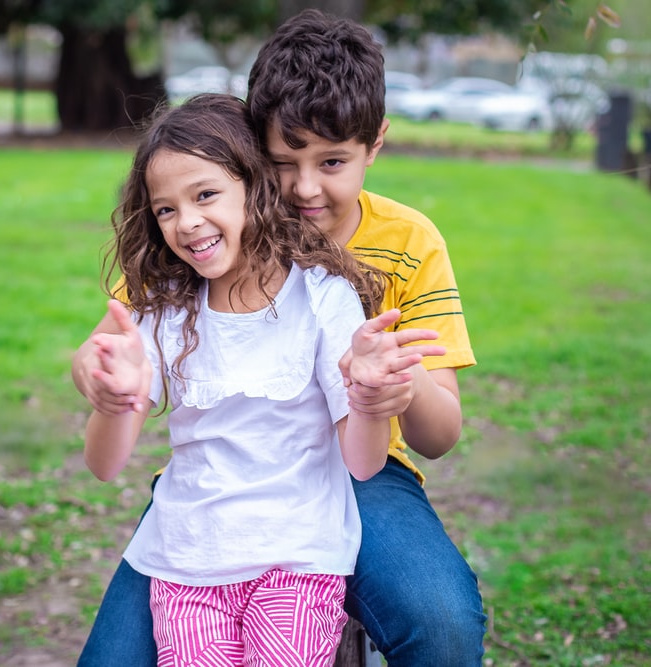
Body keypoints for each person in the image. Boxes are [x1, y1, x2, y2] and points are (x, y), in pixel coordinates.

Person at [75, 10, 487, 667]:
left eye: (332, 161)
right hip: (228, 471)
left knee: (441, 622)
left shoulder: (409, 242)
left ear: (375, 143)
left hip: (366, 468)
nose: (303, 186)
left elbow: (439, 436)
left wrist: (391, 385)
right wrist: (100, 379)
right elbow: (113, 346)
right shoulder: (203, 234)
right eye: (281, 159)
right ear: (249, 147)